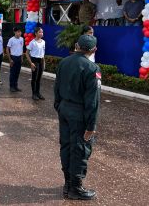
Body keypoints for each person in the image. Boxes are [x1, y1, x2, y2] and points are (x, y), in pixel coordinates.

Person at [54, 34, 101, 200]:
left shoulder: (64, 62)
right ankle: (76, 188)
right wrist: (91, 126)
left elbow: (56, 87)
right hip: (79, 113)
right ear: (94, 50)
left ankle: (68, 183)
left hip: (64, 109)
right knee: (80, 148)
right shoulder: (92, 68)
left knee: (66, 146)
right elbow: (92, 101)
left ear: (76, 45)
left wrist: (59, 106)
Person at [25, 26, 45, 101]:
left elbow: (43, 53)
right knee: (34, 78)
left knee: (39, 78)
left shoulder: (43, 42)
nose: (41, 33)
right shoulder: (32, 42)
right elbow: (26, 53)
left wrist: (44, 62)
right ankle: (34, 94)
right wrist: (31, 63)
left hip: (41, 61)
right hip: (35, 61)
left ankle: (38, 93)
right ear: (36, 33)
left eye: (42, 32)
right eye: (40, 32)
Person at [7, 27, 24, 92]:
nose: (20, 33)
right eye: (18, 32)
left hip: (19, 58)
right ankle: (11, 86)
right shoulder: (11, 40)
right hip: (13, 58)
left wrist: (22, 57)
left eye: (20, 32)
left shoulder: (22, 39)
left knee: (17, 73)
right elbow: (7, 49)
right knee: (12, 73)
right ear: (15, 32)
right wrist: (10, 59)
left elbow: (21, 48)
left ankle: (16, 86)